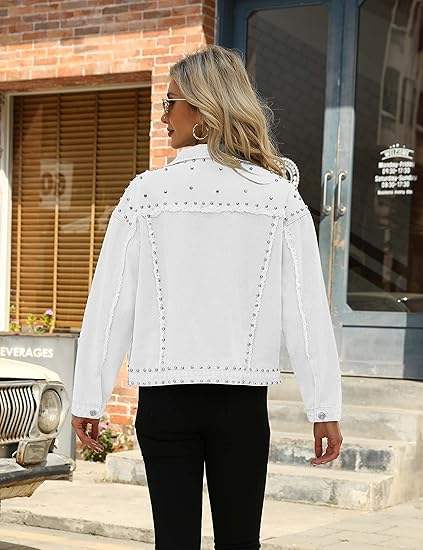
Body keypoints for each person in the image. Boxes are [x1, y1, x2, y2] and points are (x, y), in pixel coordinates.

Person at [71, 44, 343, 550]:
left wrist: (89, 396)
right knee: (241, 542)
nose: (163, 117)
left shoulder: (146, 194)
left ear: (201, 109)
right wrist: (323, 407)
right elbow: (306, 314)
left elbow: (110, 306)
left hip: (165, 403)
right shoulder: (278, 197)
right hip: (241, 406)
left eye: (169, 102)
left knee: (173, 542)